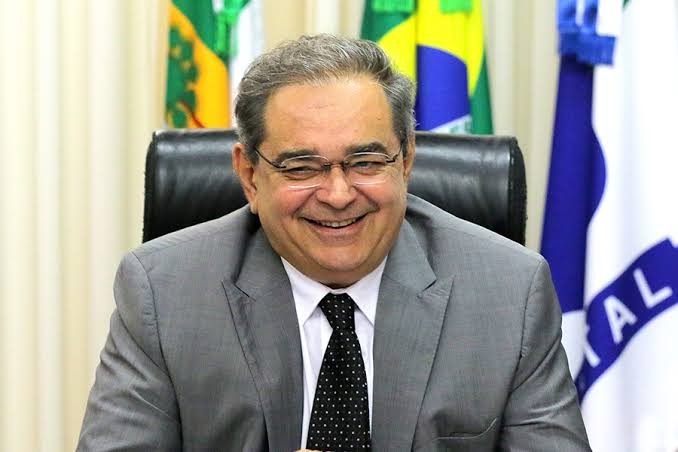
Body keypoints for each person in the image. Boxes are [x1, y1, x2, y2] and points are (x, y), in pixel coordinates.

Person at [77, 34, 590, 451]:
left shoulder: (511, 292)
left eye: (366, 162)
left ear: (406, 162)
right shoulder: (163, 293)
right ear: (250, 176)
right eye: (302, 167)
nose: (339, 195)